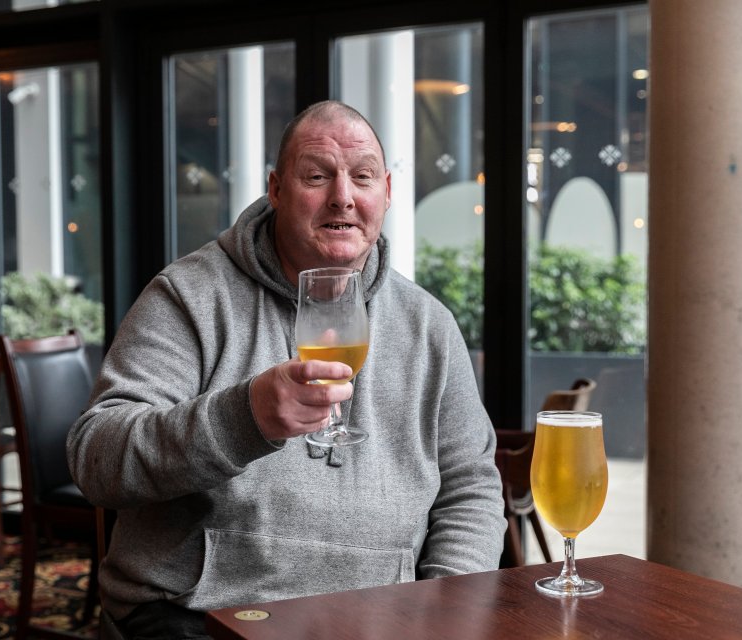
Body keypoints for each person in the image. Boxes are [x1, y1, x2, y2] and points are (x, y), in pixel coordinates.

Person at [67, 100, 506, 639]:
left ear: (386, 192)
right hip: (198, 613)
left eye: (363, 177)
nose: (342, 196)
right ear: (275, 190)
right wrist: (242, 418)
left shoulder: (428, 325)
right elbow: (96, 456)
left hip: (378, 617)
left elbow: (471, 486)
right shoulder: (189, 296)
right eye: (317, 176)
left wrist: (447, 605)